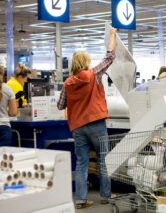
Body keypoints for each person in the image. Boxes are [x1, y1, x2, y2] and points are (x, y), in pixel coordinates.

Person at [57, 28, 117, 209]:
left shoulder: (67, 83)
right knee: (103, 159)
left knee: (82, 162)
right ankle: (106, 195)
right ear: (86, 62)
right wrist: (112, 35)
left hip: (78, 127)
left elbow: (60, 105)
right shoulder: (93, 74)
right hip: (96, 123)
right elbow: (110, 56)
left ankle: (81, 199)